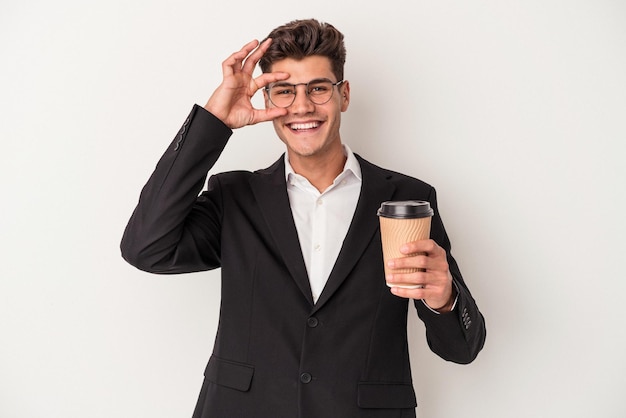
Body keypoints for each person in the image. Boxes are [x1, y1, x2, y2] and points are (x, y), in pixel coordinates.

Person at [121, 18, 486, 418]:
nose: (301, 106)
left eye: (317, 88)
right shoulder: (235, 198)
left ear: (343, 94)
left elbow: (462, 349)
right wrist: (214, 120)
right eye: (284, 91)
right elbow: (146, 247)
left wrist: (445, 300)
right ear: (266, 100)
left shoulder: (408, 198)